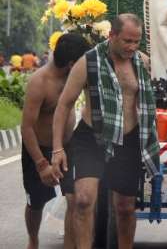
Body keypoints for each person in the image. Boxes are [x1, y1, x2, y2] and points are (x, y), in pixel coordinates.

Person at [50, 14, 159, 249]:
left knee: (125, 208)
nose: (132, 47)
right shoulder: (88, 63)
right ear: (112, 36)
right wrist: (58, 148)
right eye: (127, 41)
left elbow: (147, 103)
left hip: (128, 140)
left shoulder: (143, 63)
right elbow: (64, 104)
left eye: (136, 42)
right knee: (83, 200)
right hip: (92, 138)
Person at [20, 33, 90, 249]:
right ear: (71, 63)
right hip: (39, 150)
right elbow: (27, 127)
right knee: (36, 203)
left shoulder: (75, 76)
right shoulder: (39, 82)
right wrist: (41, 164)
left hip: (68, 148)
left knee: (74, 198)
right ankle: (33, 239)